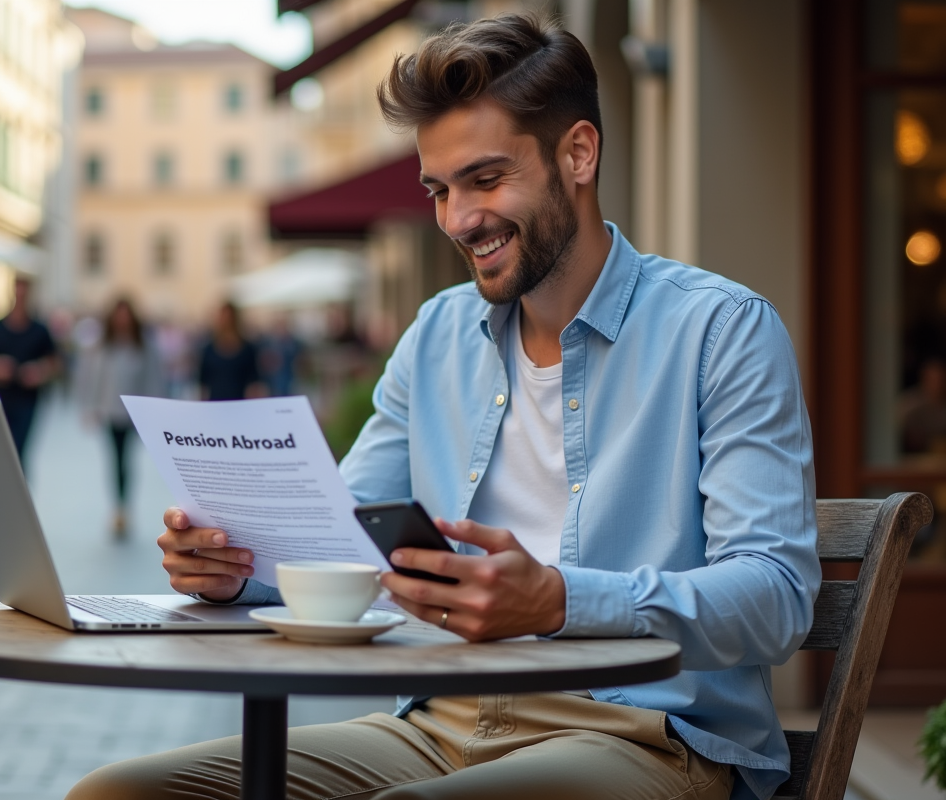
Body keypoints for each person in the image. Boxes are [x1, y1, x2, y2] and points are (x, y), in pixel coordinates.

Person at [70, 15, 818, 800]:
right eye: (440, 189)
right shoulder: (437, 335)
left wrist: (561, 600)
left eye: (486, 179)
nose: (459, 219)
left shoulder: (722, 331)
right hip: (441, 720)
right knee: (118, 793)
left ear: (579, 154)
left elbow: (776, 595)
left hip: (643, 736)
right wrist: (236, 567)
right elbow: (343, 533)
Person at [80, 298, 165, 539]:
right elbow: (92, 377)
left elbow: (153, 379)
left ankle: (124, 506)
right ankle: (118, 507)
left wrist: (153, 410)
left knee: (126, 460)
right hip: (109, 411)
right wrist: (90, 406)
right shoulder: (102, 345)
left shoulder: (143, 346)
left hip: (133, 414)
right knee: (115, 459)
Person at [0, 276, 59, 463]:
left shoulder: (39, 330)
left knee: (19, 452)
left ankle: (18, 489)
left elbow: (55, 363)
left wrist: (39, 371)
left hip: (27, 400)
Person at [197, 301, 264, 401]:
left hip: (240, 403)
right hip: (215, 403)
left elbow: (254, 382)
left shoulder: (248, 349)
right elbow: (203, 382)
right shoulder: (208, 349)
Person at [258, 315, 304, 397]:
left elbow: (300, 361)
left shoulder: (293, 343)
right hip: (273, 381)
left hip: (290, 380)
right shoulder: (268, 343)